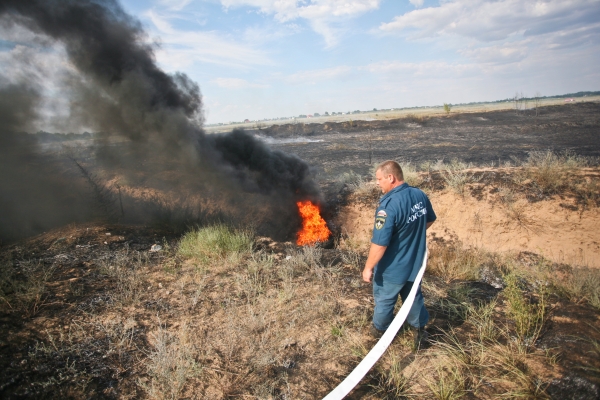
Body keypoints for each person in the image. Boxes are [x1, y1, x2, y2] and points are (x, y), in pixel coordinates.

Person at [362, 160, 436, 349]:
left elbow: (379, 244)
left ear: (390, 178)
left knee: (385, 299)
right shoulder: (419, 195)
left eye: (379, 179)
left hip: (392, 268)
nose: (377, 183)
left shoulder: (388, 207)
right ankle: (420, 330)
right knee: (413, 297)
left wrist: (368, 267)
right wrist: (410, 234)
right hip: (415, 263)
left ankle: (379, 330)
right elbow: (428, 221)